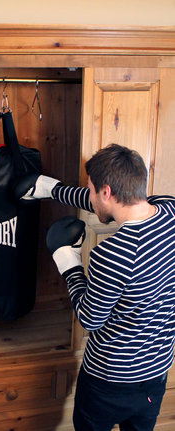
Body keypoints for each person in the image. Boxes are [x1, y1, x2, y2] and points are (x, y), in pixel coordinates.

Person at [15, 144, 175, 431]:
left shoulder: (113, 253)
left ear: (107, 192)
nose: (88, 193)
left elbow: (90, 318)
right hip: (156, 373)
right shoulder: (170, 210)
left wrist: (69, 261)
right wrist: (53, 190)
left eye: (89, 189)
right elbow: (119, 204)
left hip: (108, 380)